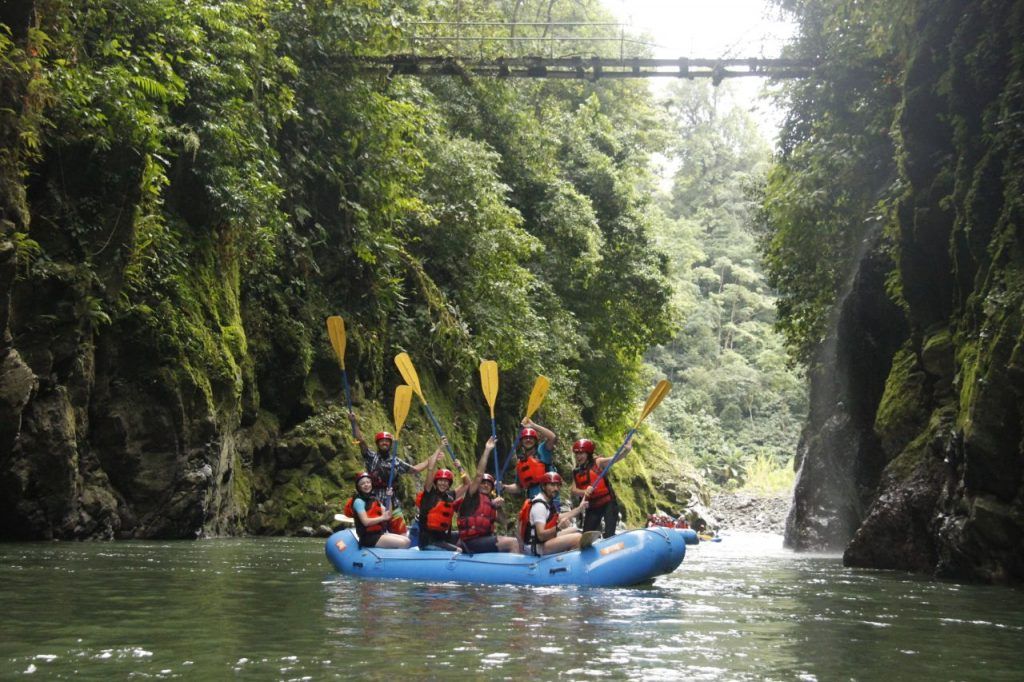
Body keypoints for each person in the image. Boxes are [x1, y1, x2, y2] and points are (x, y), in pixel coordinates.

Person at [348, 410, 432, 534]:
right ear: (378, 444)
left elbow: (415, 469)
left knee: (402, 533)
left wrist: (431, 459)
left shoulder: (396, 462)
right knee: (377, 531)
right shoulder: (371, 457)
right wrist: (353, 422)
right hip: (374, 500)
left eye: (387, 441)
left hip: (392, 500)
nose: (385, 443)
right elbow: (361, 440)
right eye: (382, 441)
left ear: (390, 444)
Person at [455, 436, 518, 554]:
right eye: (483, 483)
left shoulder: (491, 503)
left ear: (491, 489)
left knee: (515, 540)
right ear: (478, 485)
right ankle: (519, 573)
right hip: (471, 542)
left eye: (488, 484)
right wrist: (487, 450)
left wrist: (497, 507)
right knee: (513, 542)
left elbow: (504, 523)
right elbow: (479, 475)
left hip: (482, 540)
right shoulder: (472, 496)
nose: (485, 485)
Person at [570, 436, 632, 538]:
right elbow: (573, 490)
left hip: (608, 503)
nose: (578, 456)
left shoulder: (598, 462)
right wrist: (584, 492)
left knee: (609, 533)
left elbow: (615, 458)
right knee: (586, 535)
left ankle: (610, 540)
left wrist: (626, 451)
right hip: (593, 506)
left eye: (581, 453)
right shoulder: (576, 471)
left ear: (588, 454)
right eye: (576, 453)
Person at [519, 471, 588, 555]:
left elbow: (558, 517)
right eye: (552, 485)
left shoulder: (547, 501)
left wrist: (579, 508)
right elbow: (541, 536)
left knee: (574, 530)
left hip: (542, 542)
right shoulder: (539, 506)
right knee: (578, 538)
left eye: (557, 485)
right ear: (544, 486)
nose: (555, 488)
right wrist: (558, 528)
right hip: (536, 547)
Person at [418, 442, 468, 551]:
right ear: (436, 482)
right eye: (440, 480)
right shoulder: (429, 492)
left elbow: (467, 484)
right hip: (429, 541)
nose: (443, 483)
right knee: (459, 551)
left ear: (449, 484)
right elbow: (430, 468)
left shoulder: (450, 496)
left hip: (442, 538)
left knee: (465, 536)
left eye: (446, 482)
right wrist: (440, 448)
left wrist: (460, 468)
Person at [346, 472, 410, 549]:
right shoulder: (358, 501)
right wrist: (382, 518)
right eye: (362, 483)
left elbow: (388, 514)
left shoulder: (374, 499)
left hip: (379, 533)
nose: (366, 485)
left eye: (368, 482)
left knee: (407, 541)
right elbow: (365, 522)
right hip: (368, 537)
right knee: (402, 543)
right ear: (359, 487)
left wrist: (388, 497)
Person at [501, 419, 557, 499]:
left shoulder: (542, 450)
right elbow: (518, 487)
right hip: (533, 500)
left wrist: (533, 425)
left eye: (531, 438)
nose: (528, 440)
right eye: (525, 438)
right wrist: (504, 487)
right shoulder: (521, 463)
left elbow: (552, 437)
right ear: (521, 442)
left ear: (535, 440)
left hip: (550, 499)